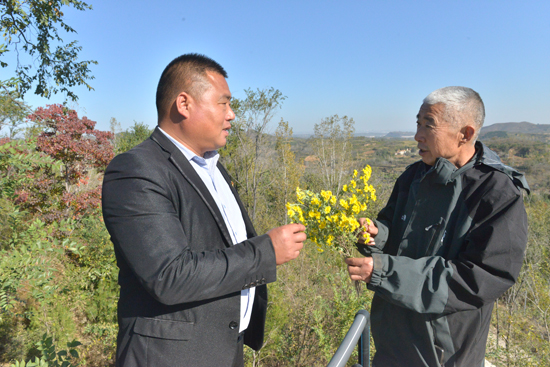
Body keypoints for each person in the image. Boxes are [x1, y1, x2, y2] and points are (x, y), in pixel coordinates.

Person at [102, 53, 306, 367]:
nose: (232, 115)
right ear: (184, 104)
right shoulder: (136, 171)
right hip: (170, 358)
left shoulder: (213, 169)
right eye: (223, 103)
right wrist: (267, 251)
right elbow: (169, 275)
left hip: (223, 350)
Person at [345, 86, 529, 367]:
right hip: (392, 341)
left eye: (427, 125)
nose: (417, 135)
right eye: (417, 123)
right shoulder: (414, 175)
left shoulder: (496, 193)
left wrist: (387, 273)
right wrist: (376, 234)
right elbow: (392, 226)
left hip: (444, 355)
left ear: (464, 134)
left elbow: (480, 278)